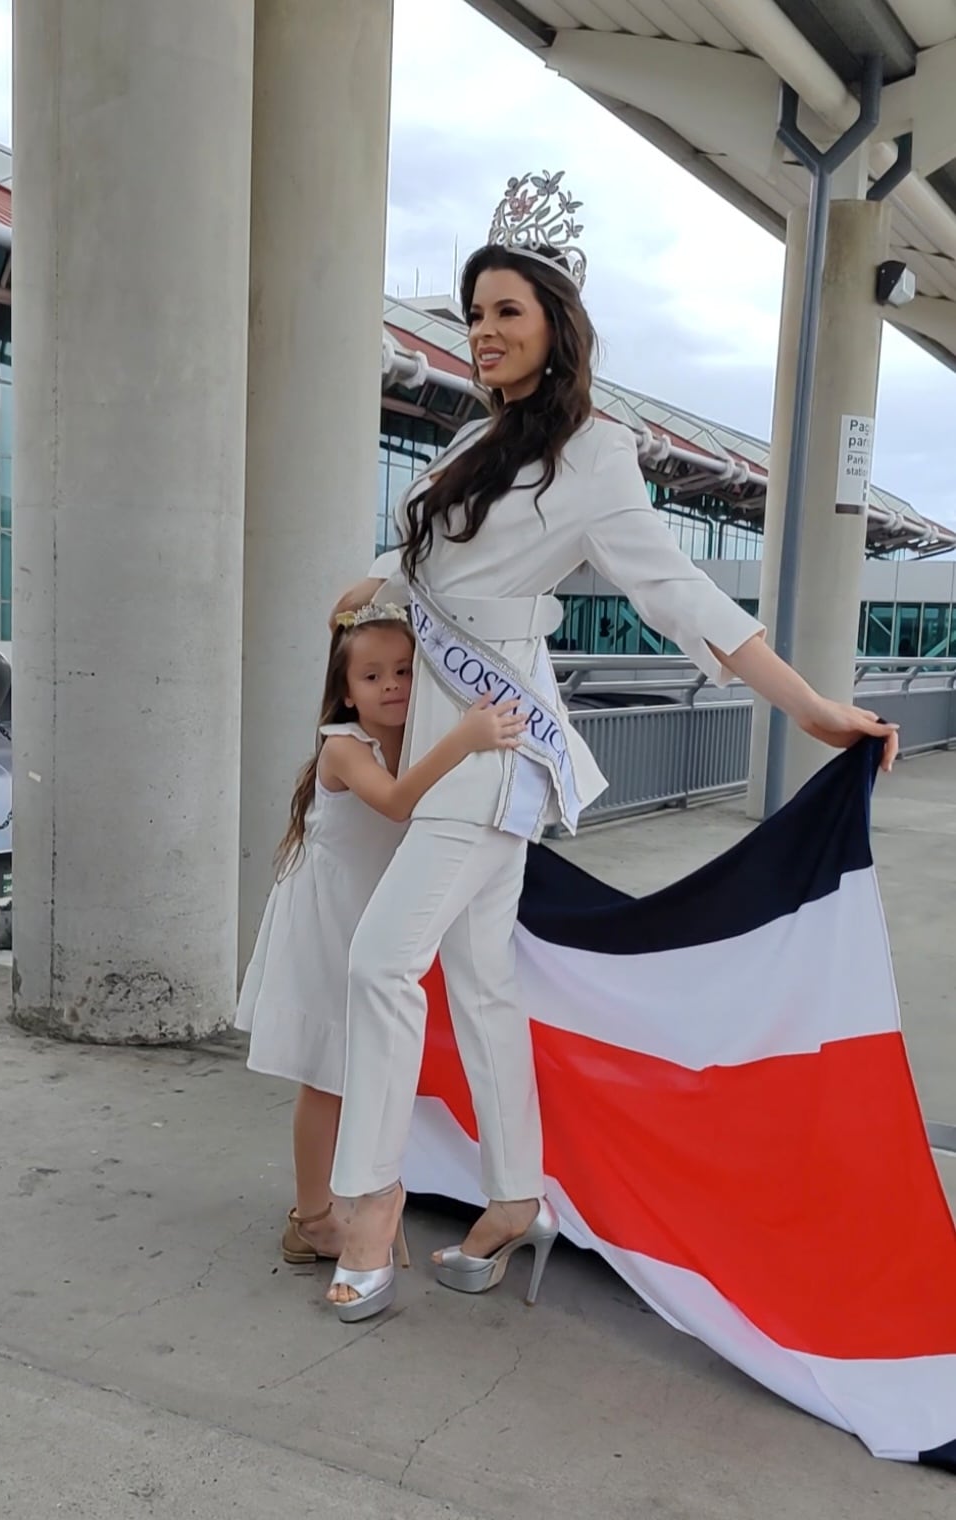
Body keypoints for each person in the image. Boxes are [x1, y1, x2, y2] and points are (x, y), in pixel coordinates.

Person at [323, 173, 899, 1323]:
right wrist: (380, 584)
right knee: (481, 985)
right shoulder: (481, 440)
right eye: (475, 312)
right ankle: (513, 1197)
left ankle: (369, 1200)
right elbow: (454, 577)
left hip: (488, 753)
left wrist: (814, 708)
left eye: (508, 314)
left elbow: (682, 598)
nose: (483, 330)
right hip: (452, 737)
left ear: (555, 330)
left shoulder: (597, 453)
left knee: (382, 966)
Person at [235, 603, 525, 1271]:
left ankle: (348, 1203)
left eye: (403, 670)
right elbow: (397, 803)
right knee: (327, 1074)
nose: (392, 685)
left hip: (377, 917)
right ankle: (311, 1218)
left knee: (366, 1064)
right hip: (326, 923)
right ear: (345, 691)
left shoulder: (420, 736)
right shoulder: (344, 746)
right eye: (372, 676)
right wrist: (466, 740)